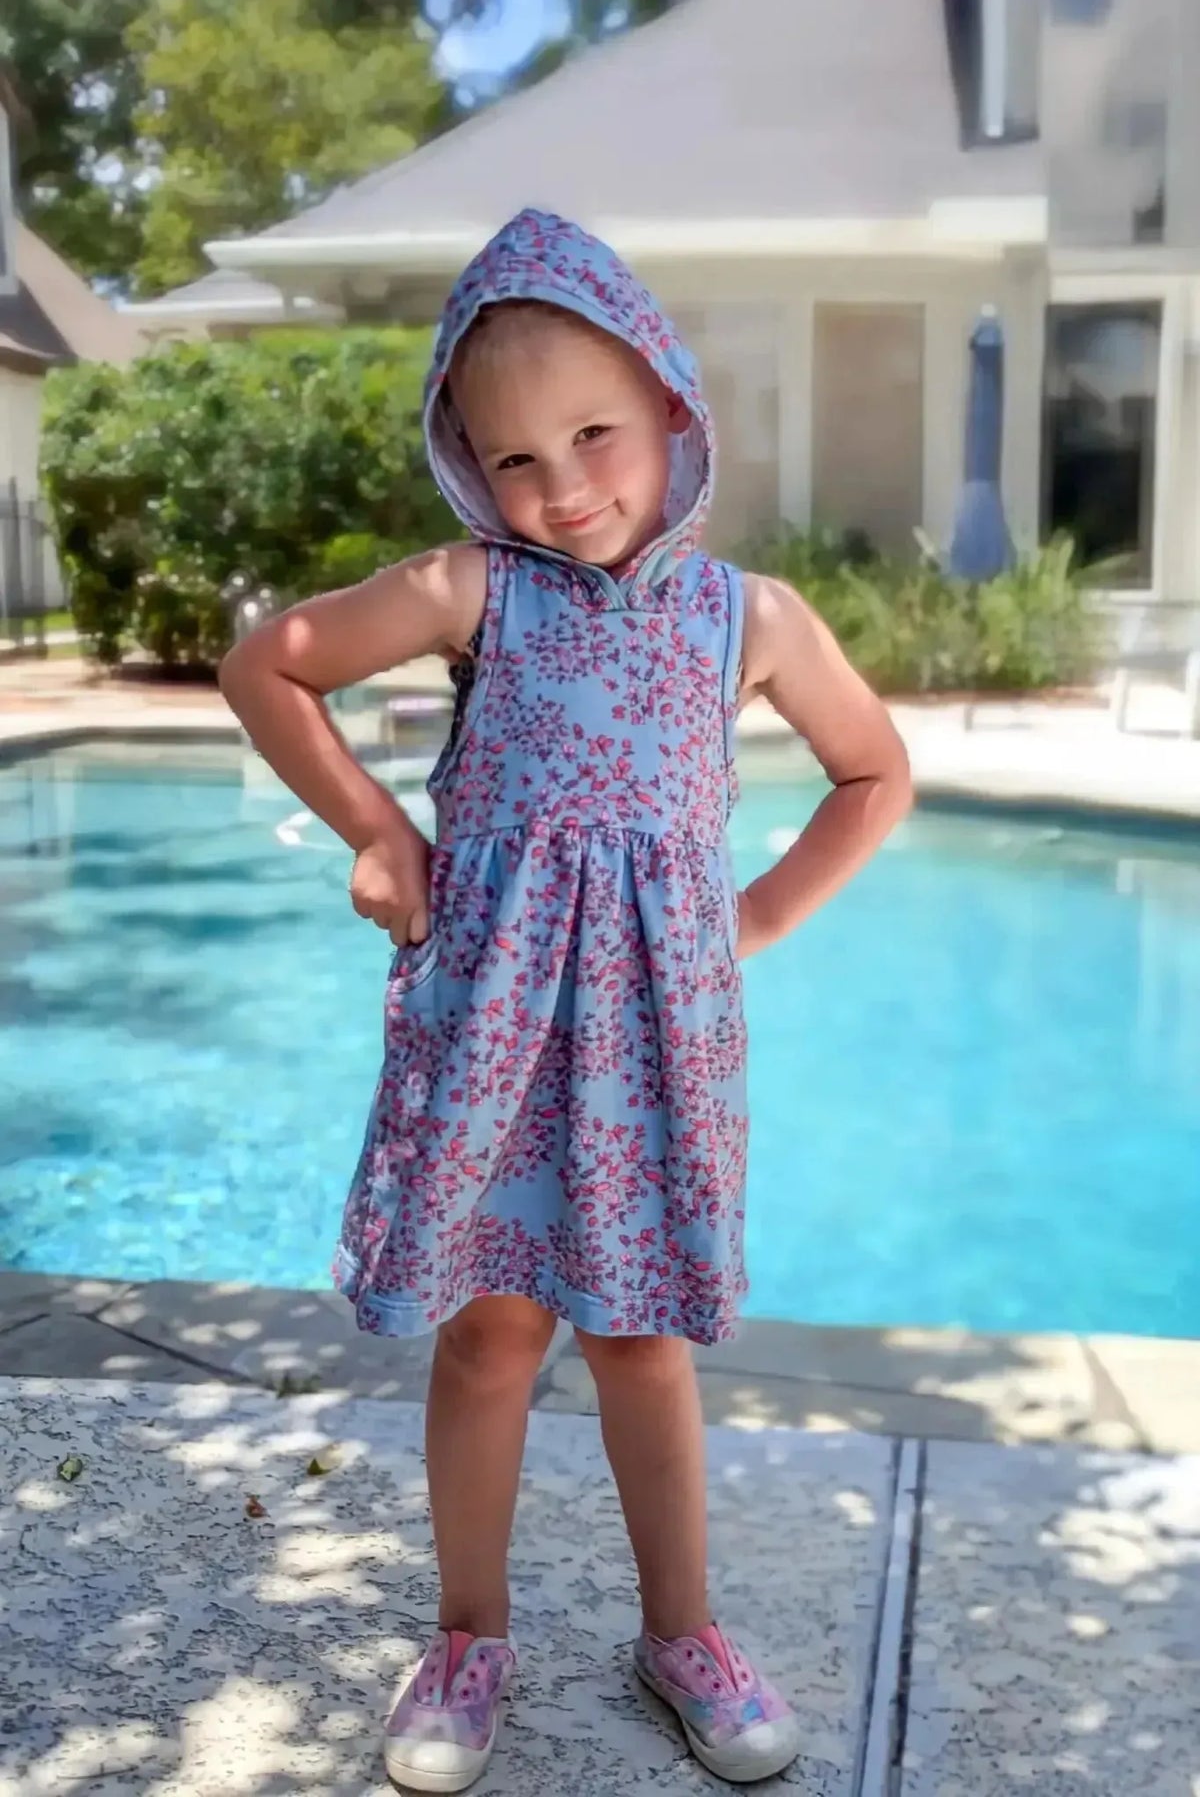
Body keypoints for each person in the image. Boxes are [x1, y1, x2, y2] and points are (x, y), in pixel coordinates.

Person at [219, 208, 912, 1793]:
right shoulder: (477, 592)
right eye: (512, 456)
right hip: (496, 1029)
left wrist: (747, 922)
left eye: (594, 433)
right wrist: (383, 829)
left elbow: (873, 772)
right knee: (487, 1337)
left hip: (655, 1045)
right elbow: (275, 664)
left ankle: (684, 1632)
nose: (564, 485)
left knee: (642, 1343)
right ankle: (467, 1635)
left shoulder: (752, 620)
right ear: (470, 468)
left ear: (673, 406)